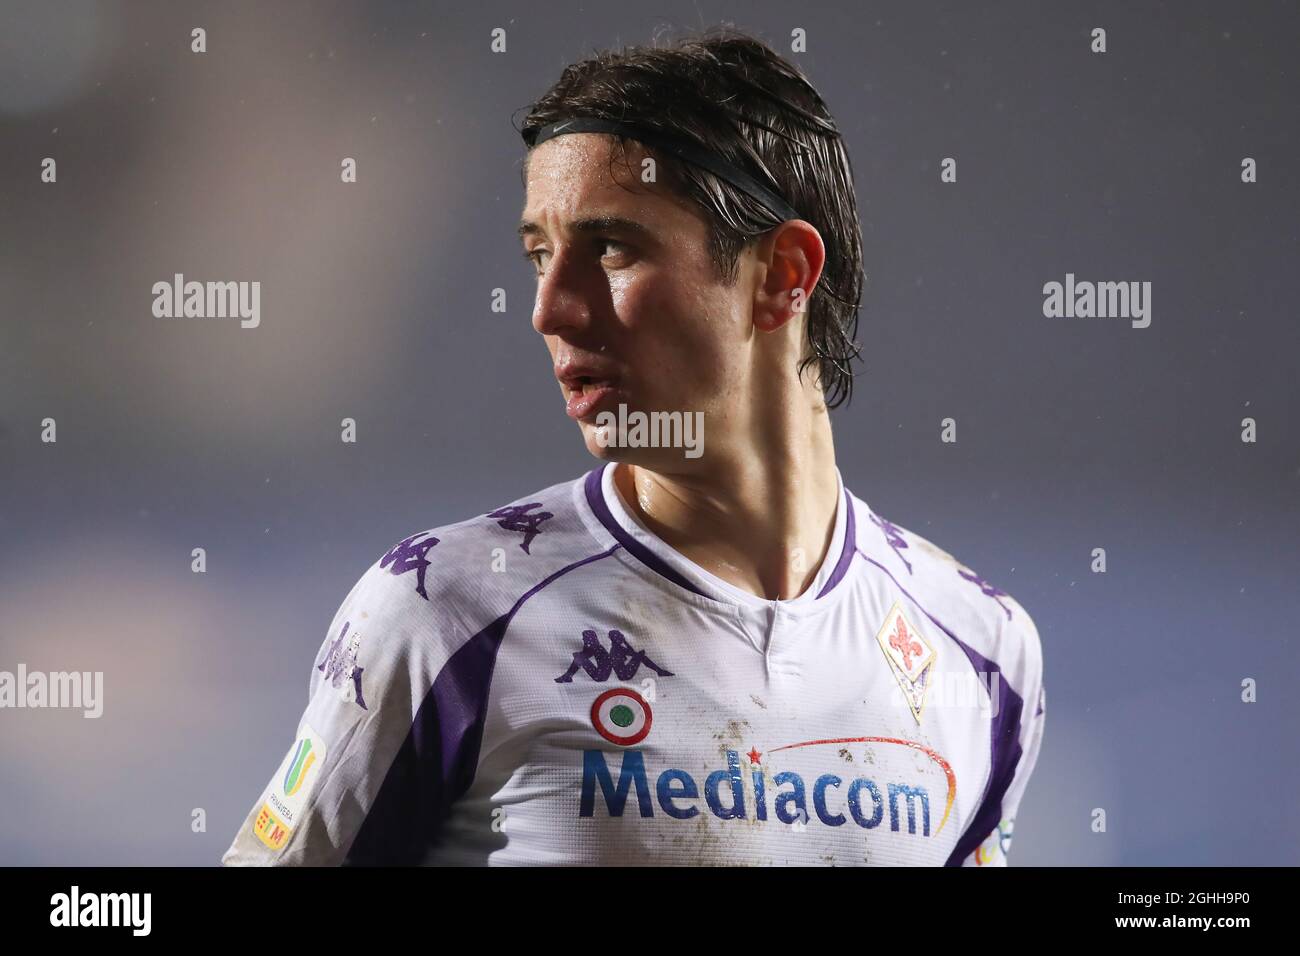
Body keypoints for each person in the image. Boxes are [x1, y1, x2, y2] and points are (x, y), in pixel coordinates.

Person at [223, 28, 1045, 866]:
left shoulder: (981, 651)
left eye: (610, 247)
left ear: (782, 275)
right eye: (539, 255)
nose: (550, 309)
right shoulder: (445, 612)